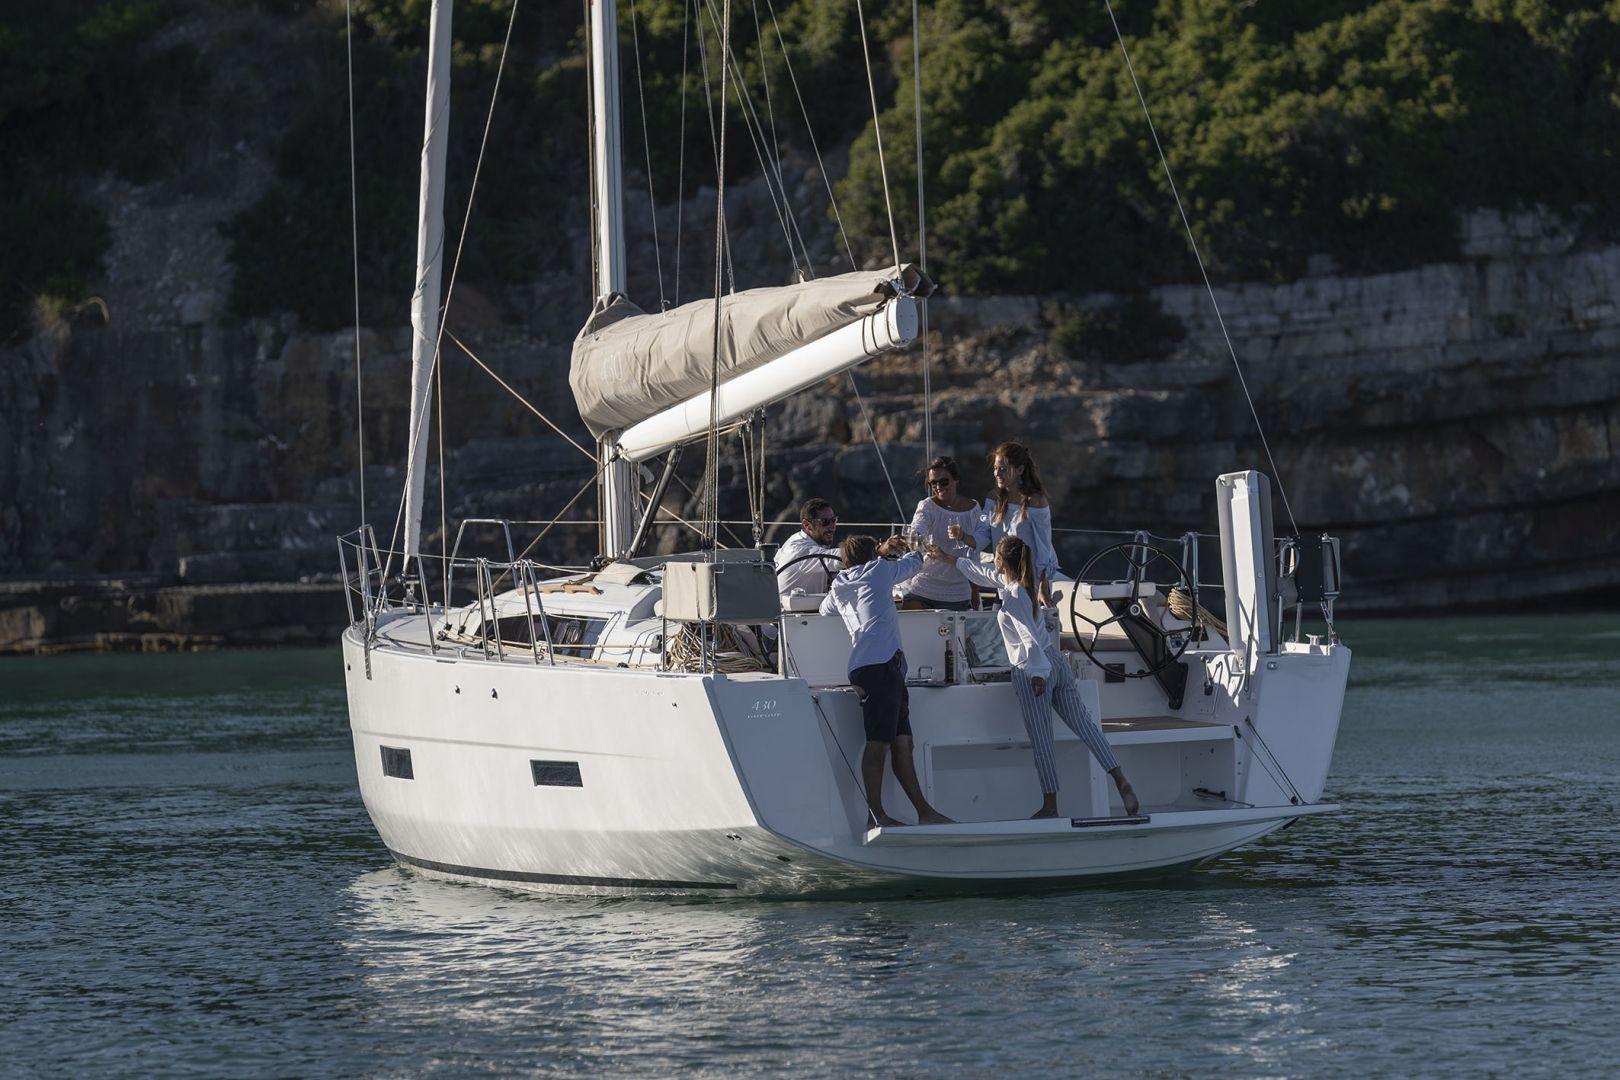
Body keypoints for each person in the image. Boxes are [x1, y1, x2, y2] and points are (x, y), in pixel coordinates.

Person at [930, 534, 1140, 818]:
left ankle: (1050, 806)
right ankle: (1120, 778)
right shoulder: (1020, 585)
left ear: (1001, 560)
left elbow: (1028, 638)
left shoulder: (1013, 596)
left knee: (1042, 740)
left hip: (1033, 668)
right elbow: (982, 573)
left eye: (996, 557)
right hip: (1057, 662)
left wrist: (1037, 674)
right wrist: (949, 559)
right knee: (1086, 727)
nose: (994, 562)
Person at [819, 534, 953, 828]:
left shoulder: (839, 584)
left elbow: (824, 609)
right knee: (878, 744)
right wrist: (918, 547)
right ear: (873, 555)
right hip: (881, 667)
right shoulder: (878, 570)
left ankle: (924, 813)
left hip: (876, 667)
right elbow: (913, 564)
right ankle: (875, 816)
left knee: (903, 743)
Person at [900, 456, 990, 611]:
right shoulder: (927, 506)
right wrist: (915, 538)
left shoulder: (974, 509)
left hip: (958, 591)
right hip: (924, 586)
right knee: (909, 618)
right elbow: (917, 528)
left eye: (943, 482)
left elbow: (973, 554)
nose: (938, 487)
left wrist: (974, 590)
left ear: (956, 480)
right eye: (933, 483)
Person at [985, 441, 1059, 606]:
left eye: (1003, 469)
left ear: (1020, 470)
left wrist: (1042, 587)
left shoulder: (1036, 501)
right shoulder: (992, 498)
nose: (997, 473)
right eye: (995, 468)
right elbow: (983, 534)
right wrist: (962, 537)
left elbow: (1044, 548)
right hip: (1004, 580)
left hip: (1032, 582)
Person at [773, 498, 840, 604]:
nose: (832, 527)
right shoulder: (798, 549)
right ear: (807, 525)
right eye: (825, 522)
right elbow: (833, 559)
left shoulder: (816, 542)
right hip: (786, 612)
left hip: (806, 610)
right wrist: (863, 548)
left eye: (834, 520)